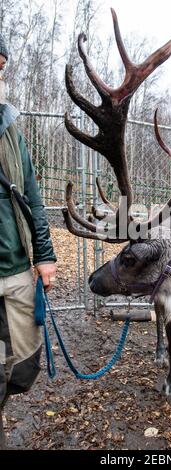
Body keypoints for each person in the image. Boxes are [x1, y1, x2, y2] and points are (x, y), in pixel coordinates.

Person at [0, 33, 57, 449]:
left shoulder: (12, 133)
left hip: (17, 269)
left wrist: (46, 255)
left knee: (23, 366)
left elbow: (33, 198)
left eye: (0, 65)